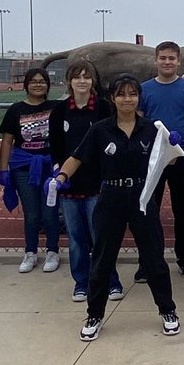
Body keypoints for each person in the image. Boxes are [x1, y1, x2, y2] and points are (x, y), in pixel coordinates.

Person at [48, 75, 180, 341]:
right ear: (112, 98)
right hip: (110, 196)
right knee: (102, 258)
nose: (127, 99)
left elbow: (171, 161)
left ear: (139, 98)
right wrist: (60, 177)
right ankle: (94, 315)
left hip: (143, 196)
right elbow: (77, 157)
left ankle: (168, 310)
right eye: (121, 94)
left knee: (154, 257)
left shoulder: (152, 129)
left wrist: (173, 144)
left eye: (132, 94)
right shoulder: (100, 130)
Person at [49, 60, 123, 302]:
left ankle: (110, 281)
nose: (82, 81)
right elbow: (55, 147)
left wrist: (107, 174)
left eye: (87, 77)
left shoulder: (104, 108)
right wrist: (59, 173)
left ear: (93, 81)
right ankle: (81, 283)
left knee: (101, 236)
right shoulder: (59, 111)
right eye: (77, 77)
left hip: (97, 185)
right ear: (69, 81)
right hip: (70, 184)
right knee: (76, 239)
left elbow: (112, 143)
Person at [140, 41, 184, 281]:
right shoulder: (144, 89)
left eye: (171, 58)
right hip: (153, 159)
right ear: (155, 60)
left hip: (181, 157)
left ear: (179, 61)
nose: (167, 62)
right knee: (148, 212)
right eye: (163, 58)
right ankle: (148, 262)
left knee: (183, 212)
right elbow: (139, 124)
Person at [0, 68, 62, 274]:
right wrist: (4, 169)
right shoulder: (15, 110)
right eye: (33, 81)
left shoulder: (56, 107)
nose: (38, 85)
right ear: (26, 85)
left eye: (42, 81)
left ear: (48, 85)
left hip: (50, 167)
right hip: (23, 168)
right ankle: (30, 252)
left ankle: (52, 251)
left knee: (50, 212)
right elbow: (7, 141)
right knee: (32, 214)